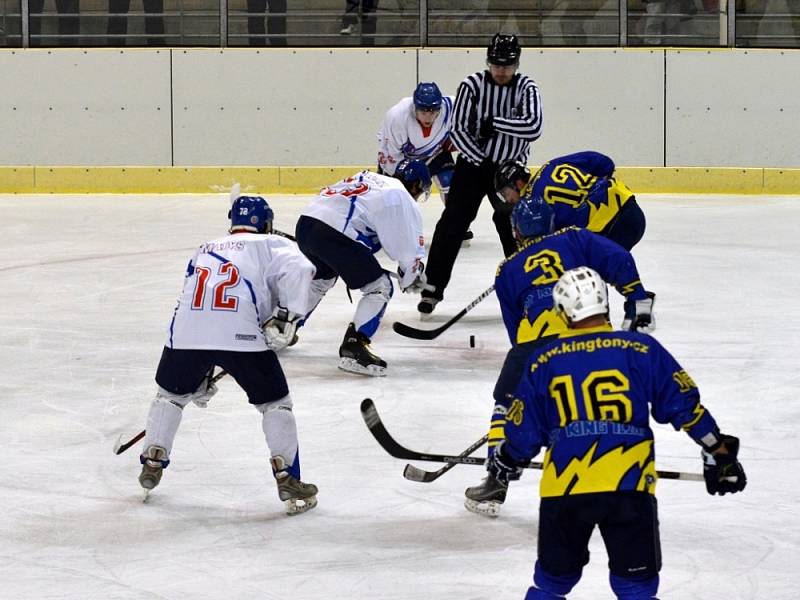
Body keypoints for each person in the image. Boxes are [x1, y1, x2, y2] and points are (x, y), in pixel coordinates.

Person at [483, 266, 746, 598]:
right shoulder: (640, 349)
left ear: (562, 311)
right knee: (636, 588)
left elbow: (523, 434)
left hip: (565, 490)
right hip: (629, 487)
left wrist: (506, 458)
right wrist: (718, 451)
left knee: (551, 584)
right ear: (604, 304)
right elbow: (685, 407)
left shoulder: (543, 360)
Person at [464, 195, 656, 517]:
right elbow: (618, 258)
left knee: (506, 402)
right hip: (593, 338)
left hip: (535, 347)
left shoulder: (507, 268)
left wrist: (533, 375)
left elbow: (516, 332)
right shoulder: (574, 238)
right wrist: (636, 295)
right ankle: (612, 467)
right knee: (595, 397)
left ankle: (497, 477)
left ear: (516, 231)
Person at [137, 194, 319, 515]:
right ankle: (287, 476)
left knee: (170, 395)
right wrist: (289, 316)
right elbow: (303, 269)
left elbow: (200, 298)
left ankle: (153, 457)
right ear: (267, 222)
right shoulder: (272, 244)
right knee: (275, 403)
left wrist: (199, 374)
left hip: (186, 332)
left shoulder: (206, 247)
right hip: (241, 332)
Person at [418, 32, 543, 318]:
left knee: (514, 226)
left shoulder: (527, 87)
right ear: (489, 62)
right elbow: (458, 131)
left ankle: (526, 289)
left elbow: (534, 127)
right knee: (453, 223)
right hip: (473, 165)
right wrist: (482, 160)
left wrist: (494, 123)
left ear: (516, 64)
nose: (501, 71)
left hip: (510, 169)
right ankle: (432, 288)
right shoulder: (471, 85)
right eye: (496, 65)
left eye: (507, 66)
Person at [294, 160, 432, 377]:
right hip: (335, 234)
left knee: (322, 277)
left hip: (306, 224)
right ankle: (355, 346)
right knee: (380, 287)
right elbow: (407, 253)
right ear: (415, 186)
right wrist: (411, 276)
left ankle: (281, 326)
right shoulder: (401, 196)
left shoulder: (368, 177)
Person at [377, 81, 473, 246]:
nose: (428, 117)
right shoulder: (397, 117)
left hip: (435, 153)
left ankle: (456, 227)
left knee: (451, 183)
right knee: (399, 193)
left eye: (433, 111)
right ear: (415, 107)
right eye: (423, 111)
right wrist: (403, 182)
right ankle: (390, 227)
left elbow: (477, 111)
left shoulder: (451, 107)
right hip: (403, 160)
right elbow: (389, 158)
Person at [494, 150, 646, 251]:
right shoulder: (551, 165)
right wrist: (596, 192)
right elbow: (605, 162)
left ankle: (639, 298)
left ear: (518, 183)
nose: (507, 200)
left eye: (506, 193)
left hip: (608, 230)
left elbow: (540, 249)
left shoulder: (531, 205)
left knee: (583, 278)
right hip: (631, 209)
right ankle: (637, 298)